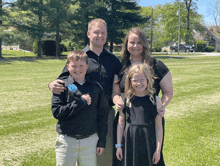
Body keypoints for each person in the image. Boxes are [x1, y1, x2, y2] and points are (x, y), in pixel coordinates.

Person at [49, 18, 122, 166]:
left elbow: (121, 84)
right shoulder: (79, 57)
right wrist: (51, 84)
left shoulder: (113, 60)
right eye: (96, 32)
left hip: (104, 114)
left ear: (107, 35)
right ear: (88, 33)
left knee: (104, 156)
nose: (100, 36)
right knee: (80, 156)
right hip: (81, 112)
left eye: (103, 33)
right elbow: (63, 79)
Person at [112, 28, 173, 165]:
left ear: (145, 44)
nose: (135, 46)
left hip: (150, 122)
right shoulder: (120, 66)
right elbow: (115, 93)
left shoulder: (157, 65)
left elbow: (168, 92)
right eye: (132, 42)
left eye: (139, 42)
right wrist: (118, 102)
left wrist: (160, 106)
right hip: (126, 120)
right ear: (126, 44)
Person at [51, 50, 109, 166]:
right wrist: (80, 102)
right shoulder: (61, 86)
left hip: (89, 140)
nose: (78, 69)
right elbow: (57, 112)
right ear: (67, 66)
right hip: (67, 141)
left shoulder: (96, 87)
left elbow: (102, 116)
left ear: (87, 66)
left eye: (81, 66)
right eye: (74, 66)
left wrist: (101, 141)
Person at [115, 64, 163, 166]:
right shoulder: (126, 100)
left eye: (142, 80)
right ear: (130, 81)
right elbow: (120, 124)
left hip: (149, 143)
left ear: (148, 80)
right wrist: (118, 146)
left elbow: (158, 126)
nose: (138, 83)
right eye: (135, 80)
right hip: (130, 144)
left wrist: (158, 150)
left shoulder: (155, 100)